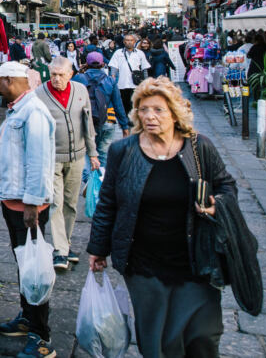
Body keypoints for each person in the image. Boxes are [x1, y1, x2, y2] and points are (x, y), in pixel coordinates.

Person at [87, 78, 239, 358]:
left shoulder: (199, 148)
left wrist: (219, 205)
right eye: (143, 110)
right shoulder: (124, 151)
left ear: (175, 114)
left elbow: (226, 185)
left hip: (195, 260)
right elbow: (107, 202)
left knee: (202, 336)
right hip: (144, 263)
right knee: (159, 342)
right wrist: (98, 248)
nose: (149, 117)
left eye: (158, 110)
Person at [0, 62, 57, 358]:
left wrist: (32, 204)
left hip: (27, 206)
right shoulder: (19, 108)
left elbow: (39, 161)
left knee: (35, 269)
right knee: (24, 263)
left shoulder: (34, 112)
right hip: (14, 202)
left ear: (11, 81)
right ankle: (27, 317)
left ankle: (41, 337)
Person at [35, 57, 98, 271]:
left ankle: (66, 243)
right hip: (52, 158)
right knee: (55, 202)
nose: (57, 79)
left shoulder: (80, 90)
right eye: (53, 74)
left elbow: (88, 123)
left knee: (71, 203)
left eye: (61, 75)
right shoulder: (40, 94)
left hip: (77, 156)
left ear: (71, 74)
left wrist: (93, 153)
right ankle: (60, 250)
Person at [73, 52, 130, 180]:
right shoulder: (110, 80)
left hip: (85, 121)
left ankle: (89, 181)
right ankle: (102, 180)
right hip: (107, 120)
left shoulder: (78, 79)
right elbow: (118, 104)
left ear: (86, 64)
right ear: (103, 64)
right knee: (103, 152)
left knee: (87, 152)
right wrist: (124, 126)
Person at [109, 33, 150, 114]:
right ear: (124, 42)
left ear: (134, 41)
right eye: (127, 40)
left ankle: (132, 118)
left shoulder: (139, 53)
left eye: (131, 40)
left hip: (136, 83)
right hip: (122, 83)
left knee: (134, 102)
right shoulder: (118, 53)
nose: (129, 42)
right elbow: (114, 67)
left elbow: (144, 68)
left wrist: (146, 82)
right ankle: (126, 118)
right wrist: (112, 78)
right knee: (124, 102)